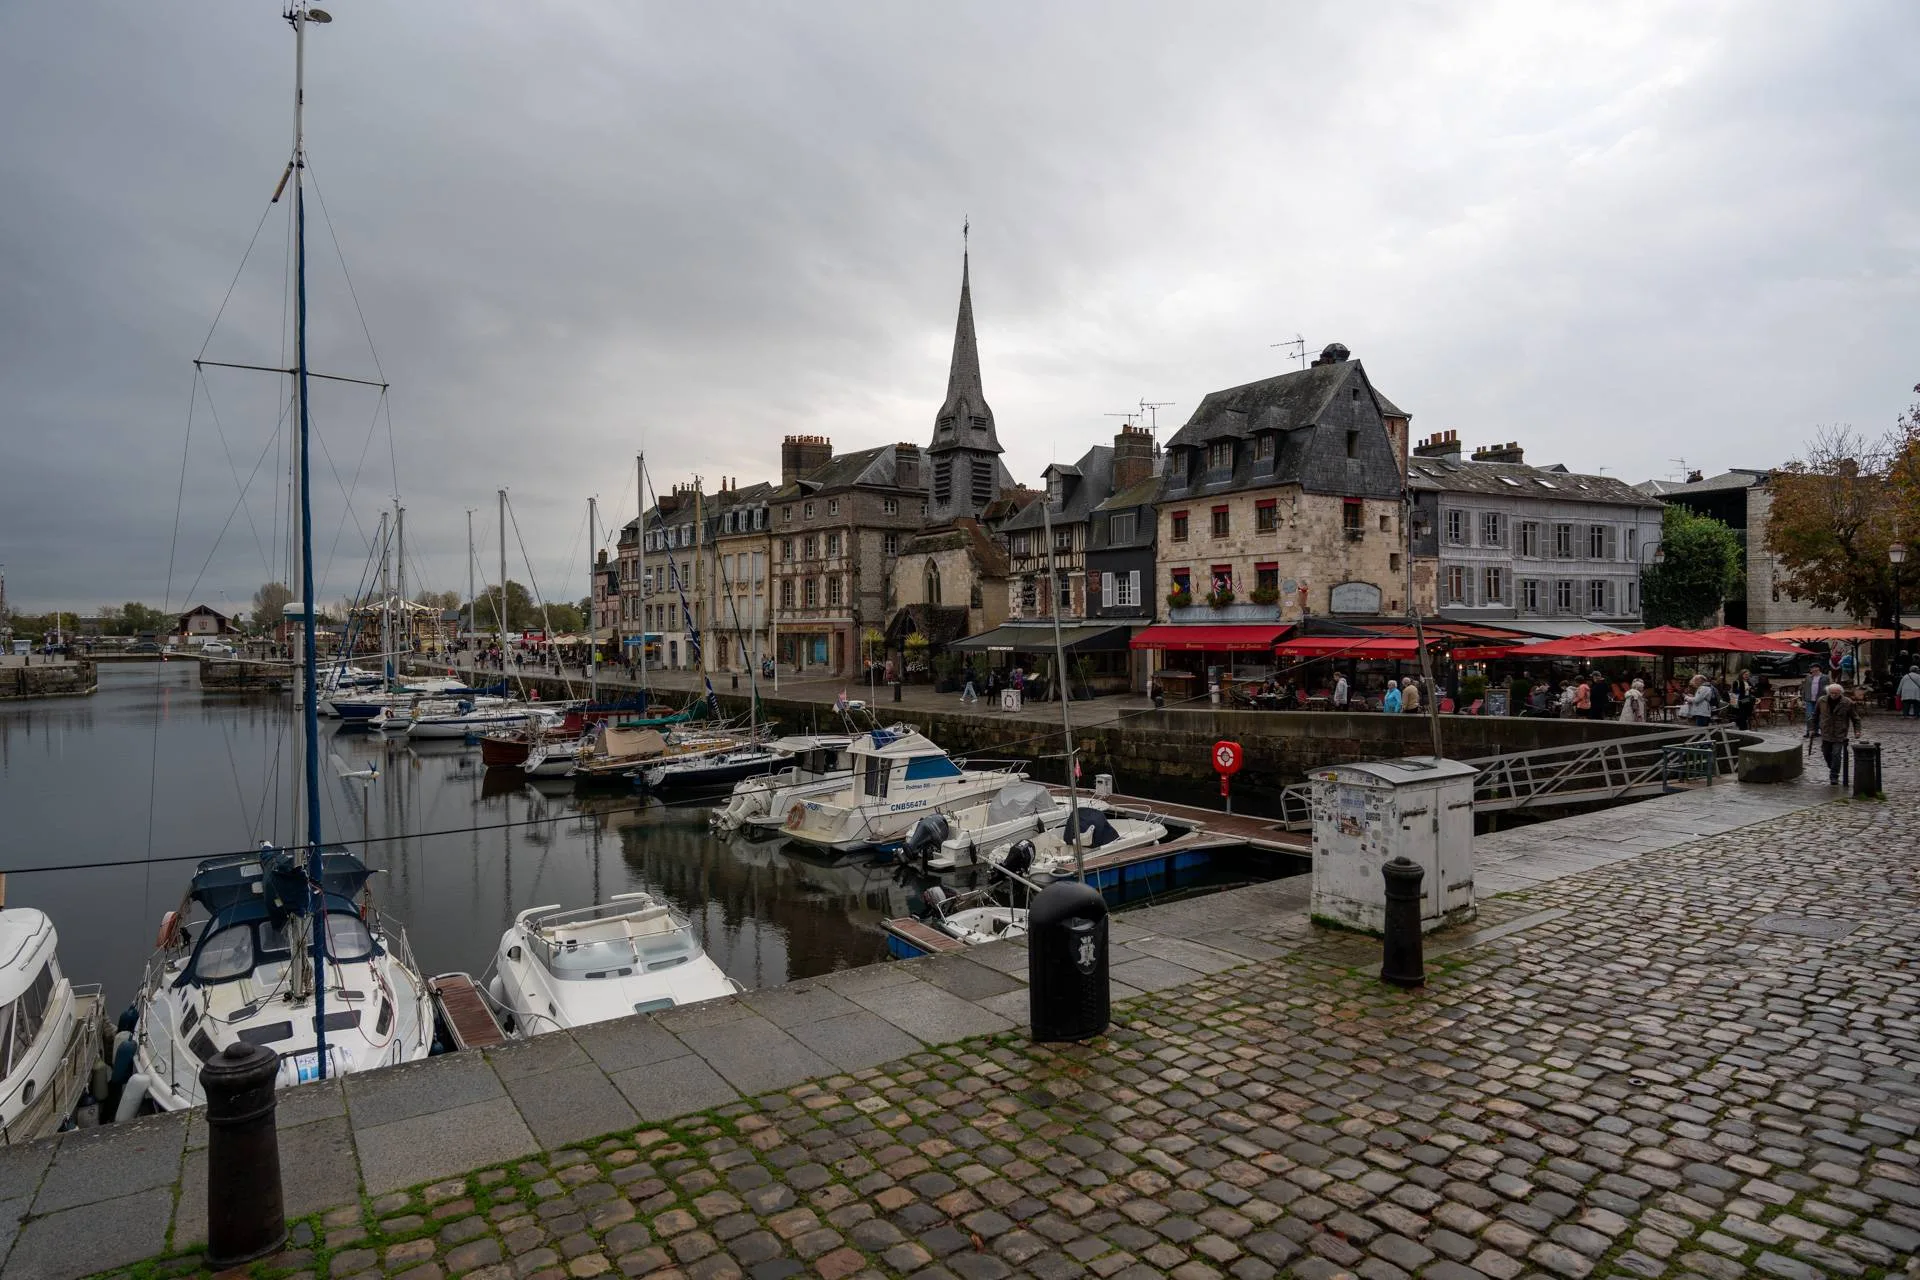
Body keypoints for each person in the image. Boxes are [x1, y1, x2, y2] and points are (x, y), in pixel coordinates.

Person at [1815, 679, 1861, 783]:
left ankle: (1834, 776)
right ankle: (1833, 767)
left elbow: (1855, 718)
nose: (1834, 695)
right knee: (1826, 753)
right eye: (1832, 693)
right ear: (1828, 692)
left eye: (1836, 693)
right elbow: (1815, 715)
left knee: (1836, 754)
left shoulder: (1847, 702)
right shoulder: (1822, 701)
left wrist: (1857, 731)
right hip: (1826, 732)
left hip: (1839, 733)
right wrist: (1812, 729)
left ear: (1840, 693)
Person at [1804, 664, 1827, 738]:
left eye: (1813, 668)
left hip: (1820, 699)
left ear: (1818, 669)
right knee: (1809, 715)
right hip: (1809, 699)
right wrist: (1803, 697)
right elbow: (1805, 688)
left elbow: (1828, 688)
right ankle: (1809, 731)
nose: (1812, 670)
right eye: (1811, 668)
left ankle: (1816, 731)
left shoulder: (1825, 677)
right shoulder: (1808, 677)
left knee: (1818, 716)